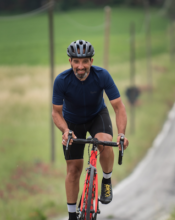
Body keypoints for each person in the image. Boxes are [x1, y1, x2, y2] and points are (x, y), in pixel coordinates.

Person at [52, 40, 130, 220]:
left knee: (104, 142)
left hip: (97, 116)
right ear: (70, 61)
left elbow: (119, 107)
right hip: (72, 122)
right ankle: (72, 215)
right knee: (73, 170)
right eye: (77, 61)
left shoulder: (102, 76)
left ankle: (107, 180)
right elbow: (56, 113)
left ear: (91, 62)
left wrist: (121, 134)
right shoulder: (62, 80)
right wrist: (65, 131)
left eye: (85, 61)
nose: (81, 66)